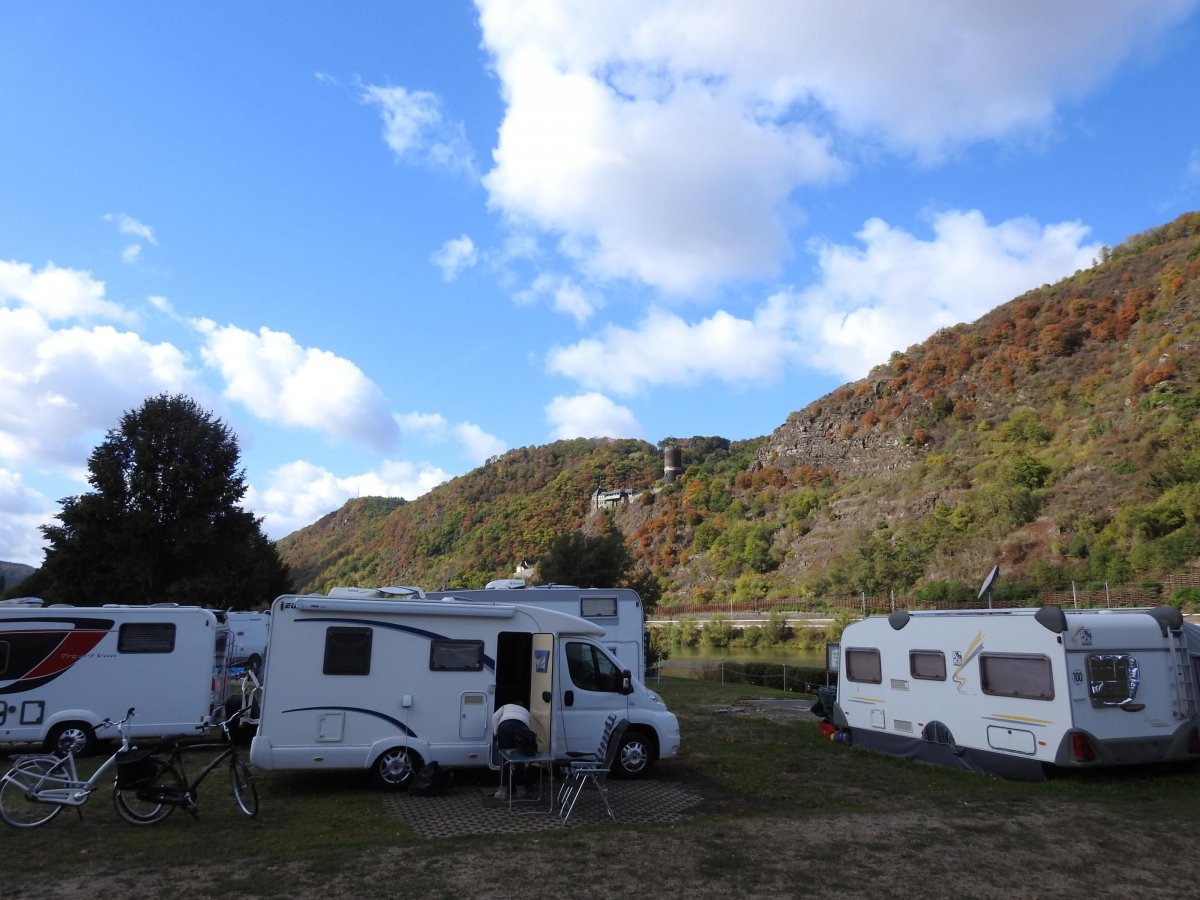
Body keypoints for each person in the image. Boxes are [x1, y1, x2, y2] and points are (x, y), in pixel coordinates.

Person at [491, 702, 533, 798]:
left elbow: (494, 717)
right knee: (520, 758)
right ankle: (520, 790)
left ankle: (503, 791)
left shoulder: (505, 706)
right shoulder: (526, 712)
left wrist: (496, 733)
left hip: (505, 726)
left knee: (505, 759)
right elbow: (530, 729)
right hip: (522, 727)